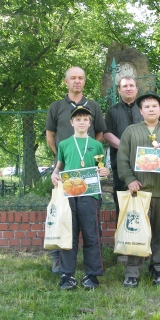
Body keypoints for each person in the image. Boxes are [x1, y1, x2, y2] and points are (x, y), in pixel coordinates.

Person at [117, 92, 160, 288]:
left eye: (154, 106)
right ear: (140, 111)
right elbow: (121, 159)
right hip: (139, 191)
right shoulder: (131, 132)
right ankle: (132, 270)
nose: (150, 109)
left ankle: (158, 266)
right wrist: (129, 179)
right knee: (136, 232)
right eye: (146, 107)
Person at [46, 66, 107, 274]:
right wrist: (64, 156)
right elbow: (50, 137)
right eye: (73, 78)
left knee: (90, 228)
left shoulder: (94, 106)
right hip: (65, 177)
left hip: (89, 181)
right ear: (66, 82)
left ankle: (93, 271)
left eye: (81, 78)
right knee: (65, 223)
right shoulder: (56, 106)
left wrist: (86, 150)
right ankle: (61, 263)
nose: (77, 81)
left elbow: (100, 133)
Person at [50, 105, 110, 290]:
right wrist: (54, 175)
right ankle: (67, 274)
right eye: (78, 119)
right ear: (72, 122)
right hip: (69, 194)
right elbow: (59, 166)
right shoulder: (64, 144)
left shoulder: (97, 145)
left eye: (85, 119)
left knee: (91, 234)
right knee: (69, 233)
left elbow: (101, 171)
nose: (82, 122)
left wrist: (105, 172)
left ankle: (92, 275)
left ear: (90, 123)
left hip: (90, 194)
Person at [103, 76, 143, 223]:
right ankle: (123, 241)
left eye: (131, 85)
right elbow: (107, 134)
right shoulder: (112, 111)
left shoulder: (144, 109)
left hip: (143, 164)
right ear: (119, 90)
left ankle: (144, 242)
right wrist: (126, 148)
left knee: (144, 202)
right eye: (125, 86)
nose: (128, 88)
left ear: (136, 89)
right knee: (122, 202)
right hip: (120, 164)